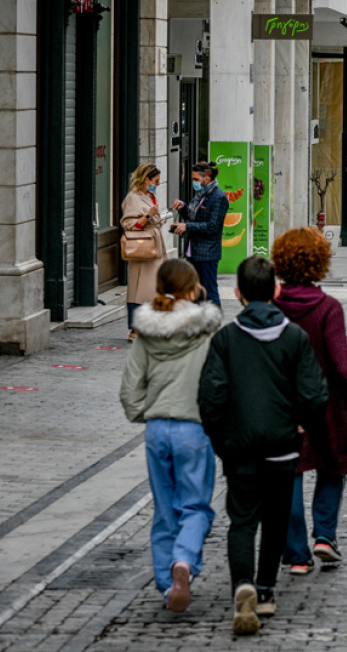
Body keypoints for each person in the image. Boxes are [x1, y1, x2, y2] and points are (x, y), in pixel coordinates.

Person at [198, 256, 329, 635]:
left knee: (241, 521)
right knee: (274, 521)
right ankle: (267, 589)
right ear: (276, 291)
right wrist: (304, 424)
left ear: (237, 294)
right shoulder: (294, 337)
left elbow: (210, 397)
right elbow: (314, 393)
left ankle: (243, 584)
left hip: (239, 446)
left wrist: (220, 440)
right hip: (282, 446)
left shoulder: (225, 339)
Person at [272, 228, 347, 576]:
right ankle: (324, 536)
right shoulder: (327, 308)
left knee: (289, 472)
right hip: (327, 403)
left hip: (284, 406)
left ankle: (295, 553)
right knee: (331, 465)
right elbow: (341, 361)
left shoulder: (273, 308)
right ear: (320, 263)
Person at [120, 259, 222, 613]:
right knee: (195, 506)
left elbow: (131, 386)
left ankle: (168, 584)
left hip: (158, 429)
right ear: (193, 289)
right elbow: (219, 383)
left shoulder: (147, 331)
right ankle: (184, 561)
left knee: (165, 511)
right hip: (194, 427)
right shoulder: (207, 330)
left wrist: (142, 414)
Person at [170, 161, 228, 309]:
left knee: (209, 292)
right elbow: (192, 216)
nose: (193, 182)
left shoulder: (218, 197)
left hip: (207, 253)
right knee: (194, 291)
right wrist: (183, 207)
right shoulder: (200, 195)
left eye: (196, 179)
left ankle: (215, 322)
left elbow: (212, 226)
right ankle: (197, 321)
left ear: (206, 179)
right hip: (193, 251)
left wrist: (186, 226)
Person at [121, 164, 169, 341]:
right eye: (155, 181)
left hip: (154, 246)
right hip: (143, 248)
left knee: (153, 289)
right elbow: (129, 224)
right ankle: (136, 328)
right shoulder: (133, 197)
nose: (157, 184)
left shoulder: (150, 195)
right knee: (139, 290)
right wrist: (147, 216)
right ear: (146, 179)